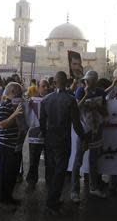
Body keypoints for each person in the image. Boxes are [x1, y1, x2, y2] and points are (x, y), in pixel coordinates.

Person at [40, 71, 87, 215]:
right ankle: (52, 203)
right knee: (60, 173)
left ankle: (52, 199)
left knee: (52, 172)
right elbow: (76, 124)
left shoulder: (46, 99)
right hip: (63, 141)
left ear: (54, 83)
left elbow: (42, 122)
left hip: (49, 140)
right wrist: (84, 137)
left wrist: (46, 136)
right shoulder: (70, 100)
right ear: (66, 82)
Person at [71, 70, 108, 202]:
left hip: (96, 130)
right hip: (83, 132)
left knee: (94, 161)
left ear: (95, 81)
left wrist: (97, 106)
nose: (86, 82)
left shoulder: (101, 93)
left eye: (89, 80)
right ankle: (74, 191)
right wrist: (85, 95)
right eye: (86, 80)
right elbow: (74, 109)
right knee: (78, 161)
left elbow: (105, 113)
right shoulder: (80, 91)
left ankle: (93, 187)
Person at [0, 82, 27, 211]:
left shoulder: (16, 105)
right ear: (13, 92)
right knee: (5, 175)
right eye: (20, 93)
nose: (22, 95)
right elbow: (2, 124)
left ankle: (9, 197)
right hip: (6, 146)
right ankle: (3, 200)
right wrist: (14, 114)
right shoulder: (4, 106)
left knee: (13, 174)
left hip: (16, 146)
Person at [26, 79, 50, 190]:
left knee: (49, 160)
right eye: (43, 86)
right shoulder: (31, 100)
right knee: (34, 160)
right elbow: (26, 114)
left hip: (49, 134)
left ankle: (49, 181)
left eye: (47, 86)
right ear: (38, 87)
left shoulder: (51, 99)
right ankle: (31, 181)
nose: (45, 88)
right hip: (35, 134)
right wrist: (28, 105)